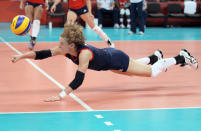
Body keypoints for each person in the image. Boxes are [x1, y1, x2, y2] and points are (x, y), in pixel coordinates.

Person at [11, 23, 198, 102]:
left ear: (72, 44)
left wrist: (61, 95)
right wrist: (21, 57)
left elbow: (78, 79)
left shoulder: (83, 54)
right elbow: (42, 54)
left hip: (116, 59)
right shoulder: (66, 49)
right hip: (109, 59)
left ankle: (181, 57)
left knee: (150, 73)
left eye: (61, 42)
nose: (58, 45)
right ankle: (155, 56)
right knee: (136, 70)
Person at [50, 0, 115, 48]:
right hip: (72, 9)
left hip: (82, 9)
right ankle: (67, 45)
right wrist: (54, 5)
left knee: (94, 27)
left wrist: (89, 12)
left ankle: (108, 41)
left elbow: (88, 1)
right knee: (68, 26)